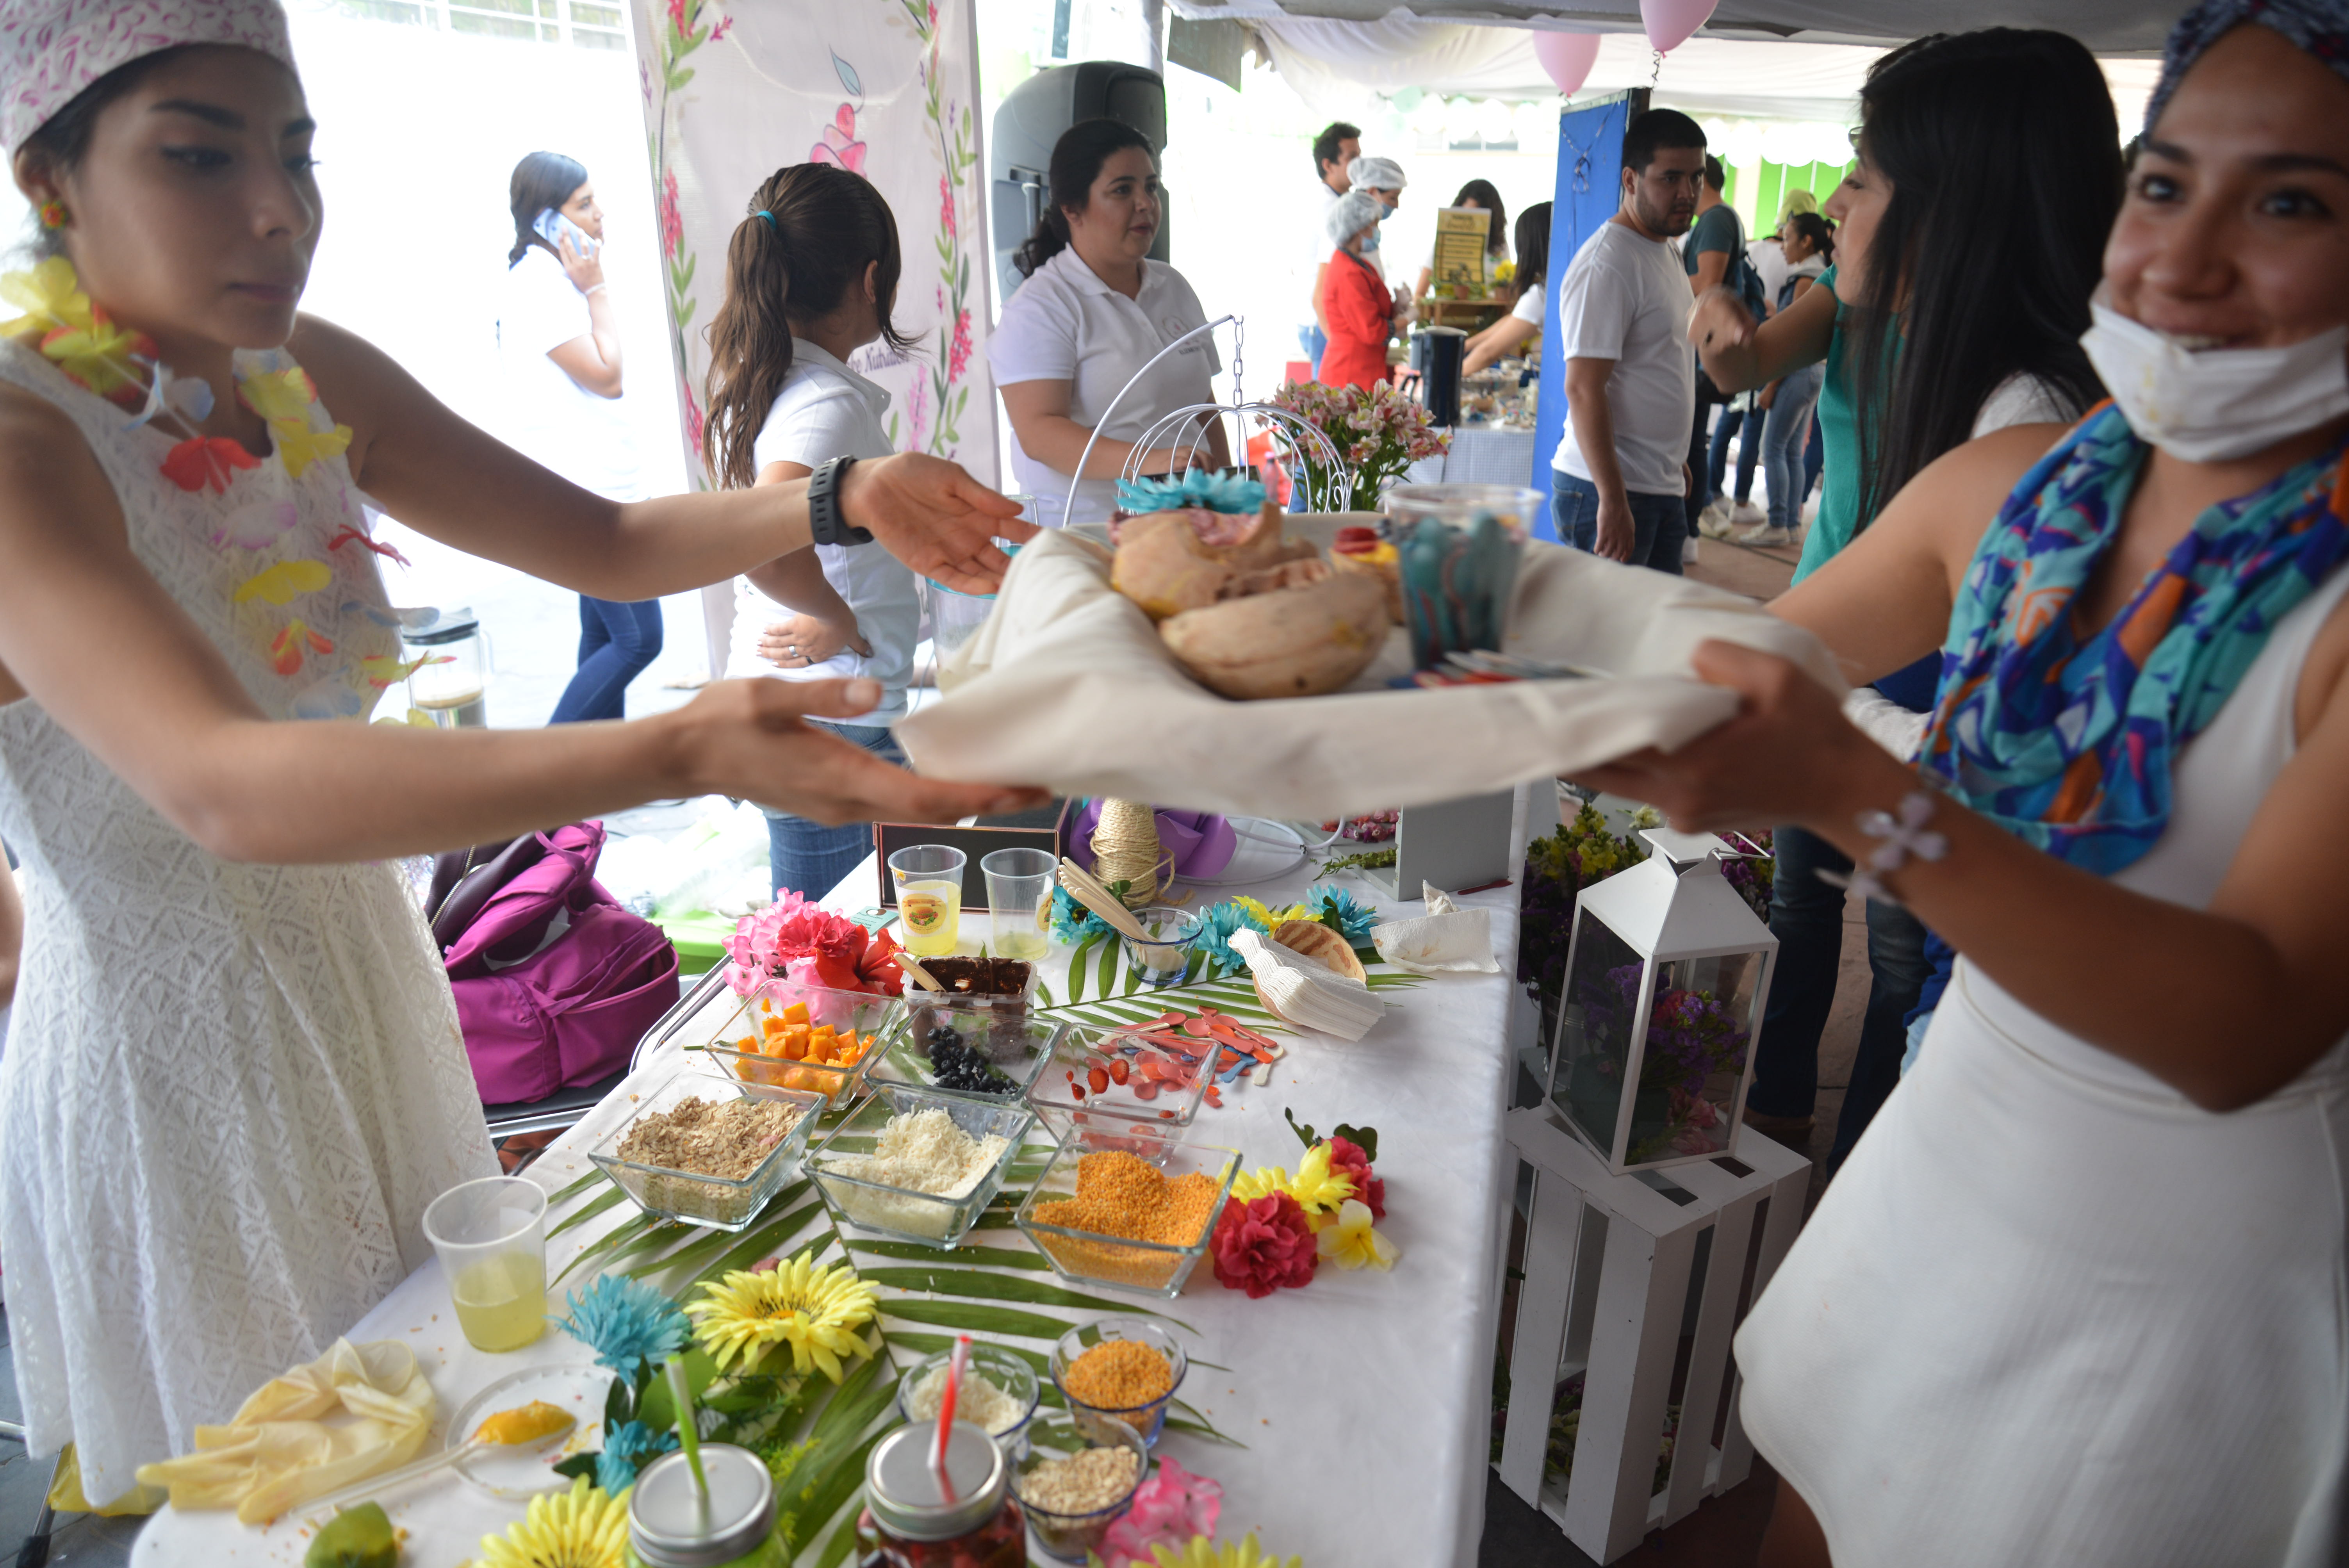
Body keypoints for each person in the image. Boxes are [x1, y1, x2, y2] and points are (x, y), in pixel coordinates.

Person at [0, 4, 1043, 1506]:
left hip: (366, 990)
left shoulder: (305, 375)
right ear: (50, 181)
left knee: (452, 1452)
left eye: (296, 152)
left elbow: (607, 543)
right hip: (177, 1079)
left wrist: (840, 494)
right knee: (294, 1498)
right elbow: (219, 780)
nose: (278, 206)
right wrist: (682, 749)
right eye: (197, 155)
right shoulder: (19, 438)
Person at [1588, 12, 2349, 1563]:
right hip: (1952, 1146)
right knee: (1817, 1481)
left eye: (2289, 202)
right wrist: (1409, 618)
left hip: (2178, 1269)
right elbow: (1710, 655)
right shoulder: (2016, 490)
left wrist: (1864, 796)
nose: (2179, 260)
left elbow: (2245, 1018)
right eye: (2162, 185)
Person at [1691, 28, 2119, 1170]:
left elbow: (2016, 832)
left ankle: (1854, 1156)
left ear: (1949, 210)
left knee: (1895, 946)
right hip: (2002, 1017)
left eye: (1859, 175)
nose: (1834, 204)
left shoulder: (2029, 448)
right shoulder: (1995, 410)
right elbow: (1742, 662)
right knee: (1831, 911)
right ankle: (1817, 1138)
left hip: (2012, 1070)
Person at [700, 164, 924, 900]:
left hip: (809, 713)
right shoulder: (821, 402)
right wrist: (837, 617)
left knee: (833, 949)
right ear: (870, 281)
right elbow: (761, 538)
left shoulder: (775, 377)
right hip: (826, 718)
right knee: (830, 954)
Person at [991, 118, 1228, 529]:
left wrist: (1228, 494)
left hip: (1191, 526)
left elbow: (1204, 408)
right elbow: (1039, 433)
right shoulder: (1042, 306)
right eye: (1123, 190)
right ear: (1072, 209)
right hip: (1091, 533)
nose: (1145, 204)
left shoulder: (1172, 285)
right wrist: (1148, 460)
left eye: (1151, 187)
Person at [494, 151, 660, 723]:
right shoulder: (540, 286)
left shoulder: (548, 281)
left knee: (602, 633)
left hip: (594, 487)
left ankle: (597, 784)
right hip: (586, 493)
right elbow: (607, 376)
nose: (599, 215)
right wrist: (597, 290)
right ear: (548, 221)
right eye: (584, 205)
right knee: (639, 640)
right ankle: (544, 782)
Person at [1549, 109, 1706, 572]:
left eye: (1696, 177)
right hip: (1607, 489)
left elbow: (1660, 362)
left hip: (1657, 484)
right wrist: (1613, 499)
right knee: (1599, 638)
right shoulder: (1609, 263)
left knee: (1648, 633)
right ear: (1631, 180)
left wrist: (1671, 458)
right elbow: (1582, 387)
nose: (1687, 193)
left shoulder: (1665, 250)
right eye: (1671, 178)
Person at [1741, 212, 1832, 549]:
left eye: (1788, 237)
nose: (1782, 246)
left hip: (1797, 374)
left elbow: (1794, 341)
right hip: (1814, 374)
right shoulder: (1819, 274)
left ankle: (1778, 522)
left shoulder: (1809, 279)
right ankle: (1791, 522)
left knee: (1774, 448)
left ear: (1807, 241)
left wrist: (1771, 386)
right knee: (1793, 451)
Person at [1684, 155, 1763, 540]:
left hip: (1706, 352)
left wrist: (1664, 275)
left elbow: (1709, 284)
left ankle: (1692, 524)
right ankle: (1693, 524)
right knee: (1694, 439)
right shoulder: (1721, 218)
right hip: (1708, 351)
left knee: (1692, 441)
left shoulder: (1715, 219)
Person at [1316, 191, 1395, 390]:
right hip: (1351, 373)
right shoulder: (1348, 272)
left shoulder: (1358, 265)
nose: (1376, 231)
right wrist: (1407, 319)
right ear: (1360, 228)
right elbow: (1372, 332)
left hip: (1363, 367)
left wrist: (1398, 307)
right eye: (1374, 225)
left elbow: (1371, 309)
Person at [1463, 201, 1549, 375]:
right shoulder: (1557, 285)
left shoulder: (1543, 294)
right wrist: (1466, 346)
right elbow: (1513, 320)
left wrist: (1445, 381)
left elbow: (1488, 353)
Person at [1303, 119, 1360, 378]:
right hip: (1324, 325)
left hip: (1322, 324)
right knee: (1328, 413)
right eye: (1352, 157)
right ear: (1329, 165)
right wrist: (1341, 347)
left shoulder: (1334, 203)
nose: (1360, 165)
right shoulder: (1330, 211)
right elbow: (1321, 291)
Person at [1413, 176, 1508, 300]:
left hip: (1488, 317)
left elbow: (1505, 293)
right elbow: (1419, 295)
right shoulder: (1444, 242)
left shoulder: (1500, 245)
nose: (1469, 221)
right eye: (1466, 214)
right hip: (1448, 317)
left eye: (1477, 216)